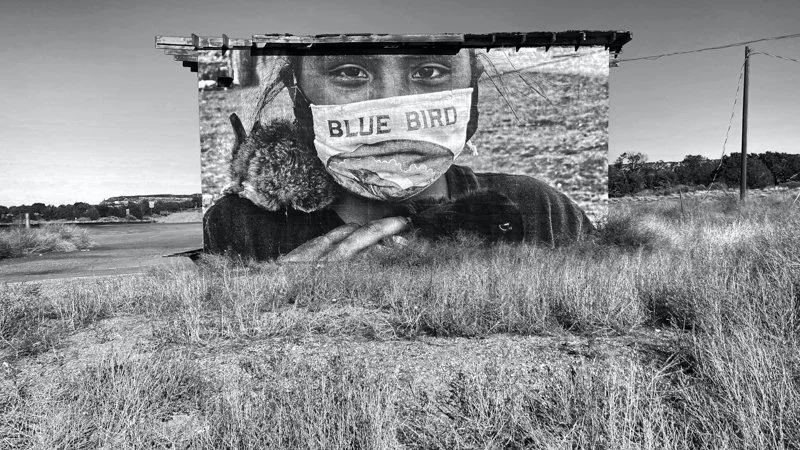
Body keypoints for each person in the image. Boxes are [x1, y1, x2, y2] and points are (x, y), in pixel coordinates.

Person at [203, 50, 594, 262]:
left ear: (471, 86)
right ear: (297, 92)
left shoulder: (540, 210)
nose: (392, 104)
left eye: (430, 70)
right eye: (349, 71)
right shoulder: (238, 225)